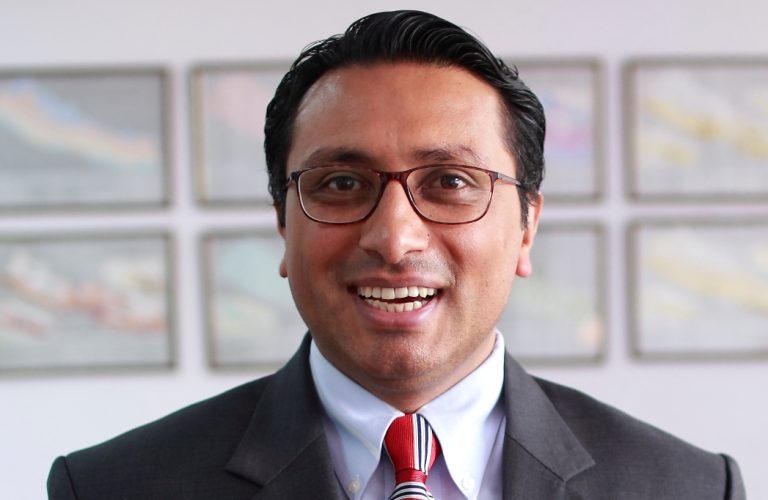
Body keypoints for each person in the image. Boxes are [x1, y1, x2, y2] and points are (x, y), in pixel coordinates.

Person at [48, 10, 746, 499]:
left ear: (527, 226)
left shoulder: (686, 488)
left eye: (450, 182)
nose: (394, 237)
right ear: (283, 224)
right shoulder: (111, 487)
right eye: (341, 184)